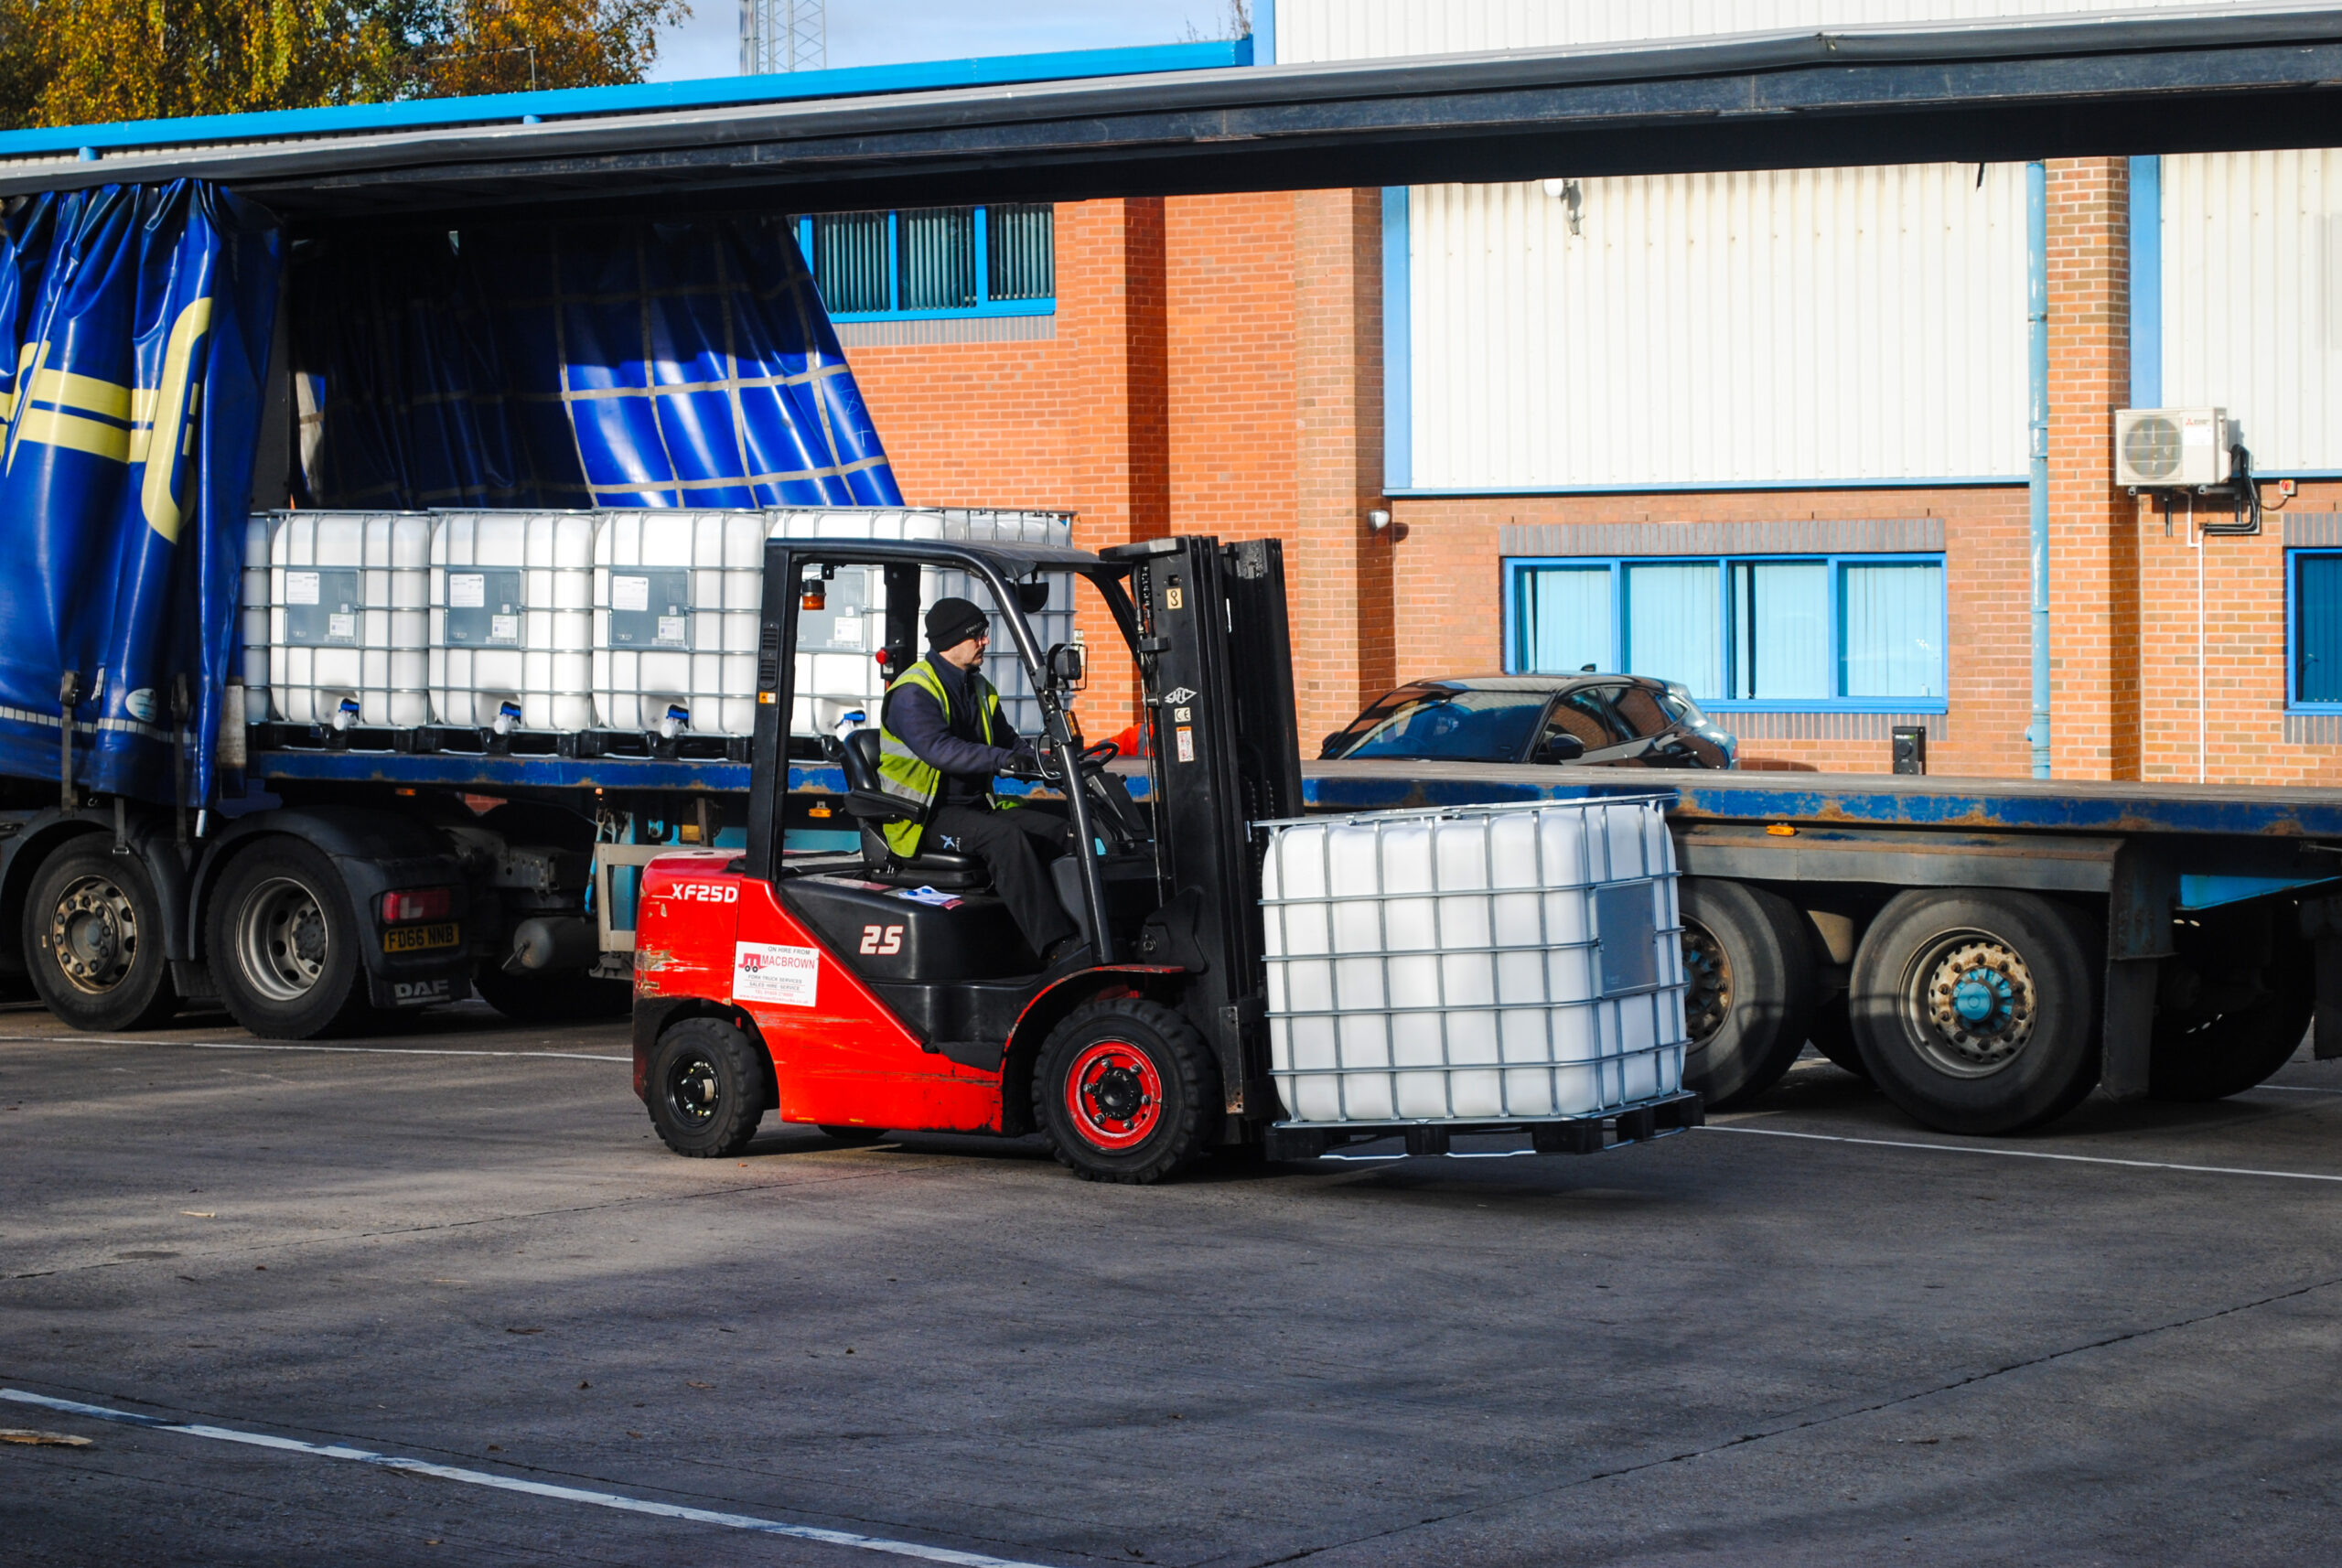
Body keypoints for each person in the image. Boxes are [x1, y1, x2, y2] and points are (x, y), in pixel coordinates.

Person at [876, 596, 1090, 974]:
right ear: (951, 640)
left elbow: (1007, 742)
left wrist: (1047, 764)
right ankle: (1058, 947)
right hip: (924, 818)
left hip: (973, 809)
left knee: (1063, 833)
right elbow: (940, 751)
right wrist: (1001, 760)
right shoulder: (913, 693)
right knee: (1002, 837)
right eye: (977, 636)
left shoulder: (978, 687)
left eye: (984, 634)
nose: (985, 642)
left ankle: (1085, 929)